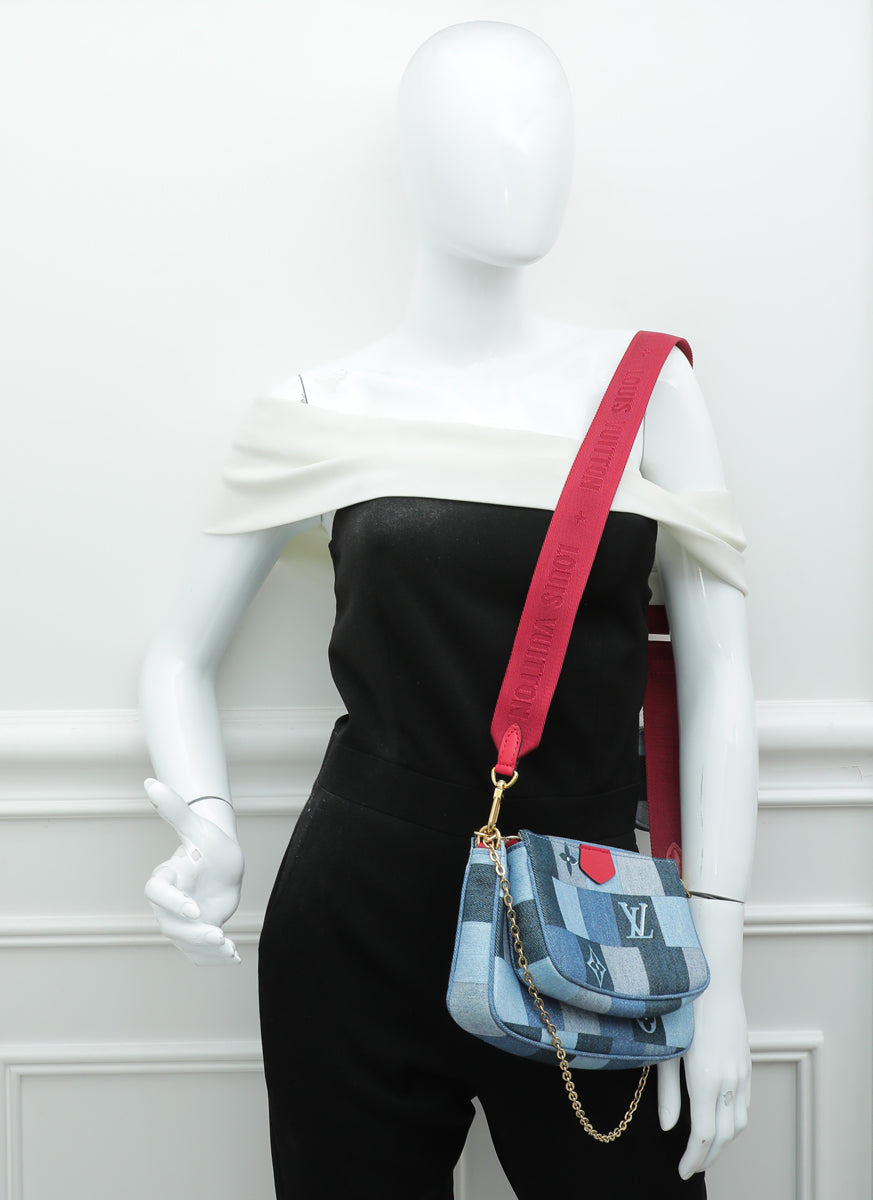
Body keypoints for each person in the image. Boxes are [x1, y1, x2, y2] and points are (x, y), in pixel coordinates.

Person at [139, 21, 757, 1199]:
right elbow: (177, 656)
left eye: (544, 126)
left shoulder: (646, 388)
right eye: (482, 126)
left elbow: (723, 676)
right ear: (413, 158)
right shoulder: (319, 404)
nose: (523, 155)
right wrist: (208, 829)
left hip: (592, 920)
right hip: (355, 919)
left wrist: (719, 963)